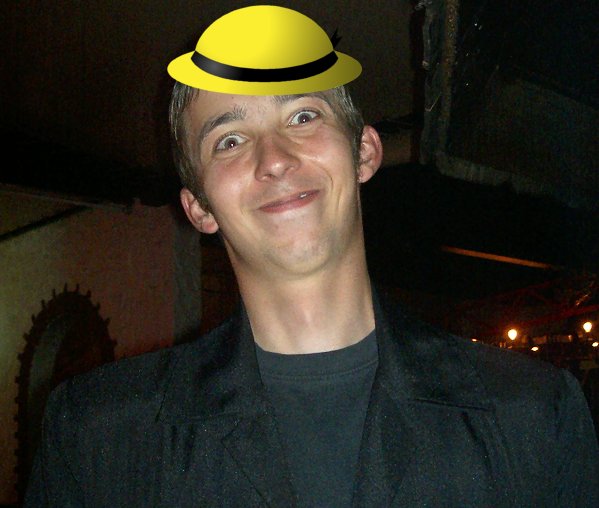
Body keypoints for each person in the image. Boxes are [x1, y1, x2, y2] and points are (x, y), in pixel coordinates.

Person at [25, 5, 598, 507]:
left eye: (302, 116)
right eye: (229, 140)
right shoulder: (99, 434)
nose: (274, 158)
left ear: (364, 151)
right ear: (199, 208)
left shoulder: (533, 413)